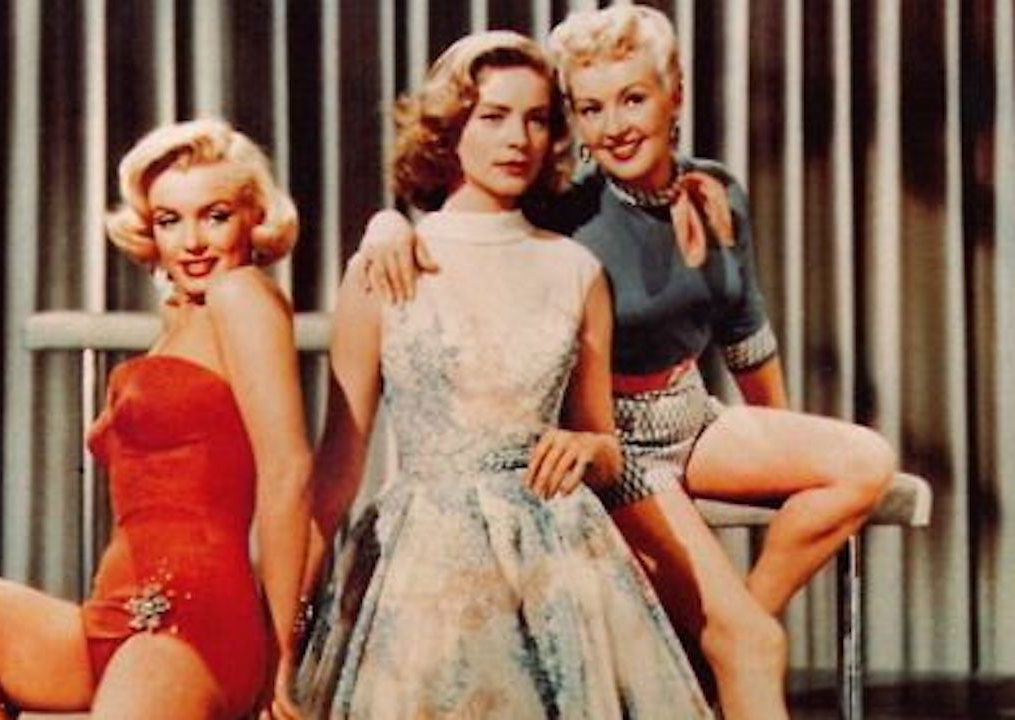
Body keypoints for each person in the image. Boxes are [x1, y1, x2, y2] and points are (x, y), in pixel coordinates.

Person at [355, 6, 898, 719]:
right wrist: (385, 223)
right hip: (616, 445)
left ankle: (716, 641)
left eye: (633, 99)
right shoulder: (563, 209)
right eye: (590, 108)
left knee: (863, 462)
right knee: (751, 644)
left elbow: (746, 334)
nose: (614, 126)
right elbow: (466, 220)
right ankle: (730, 643)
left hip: (692, 415)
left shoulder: (716, 191)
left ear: (675, 96)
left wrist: (779, 444)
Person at [295, 30, 713, 719]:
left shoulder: (575, 269)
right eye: (493, 116)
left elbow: (606, 447)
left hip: (557, 557)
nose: (518, 138)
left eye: (537, 118)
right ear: (448, 128)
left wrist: (586, 449)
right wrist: (288, 622)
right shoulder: (388, 261)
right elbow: (339, 464)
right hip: (425, 566)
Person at [0, 119, 312, 720]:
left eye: (216, 215)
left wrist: (285, 651)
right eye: (170, 220)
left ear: (255, 218)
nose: (193, 241)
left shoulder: (241, 295)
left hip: (196, 622)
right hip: (112, 615)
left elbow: (288, 472)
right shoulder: (180, 319)